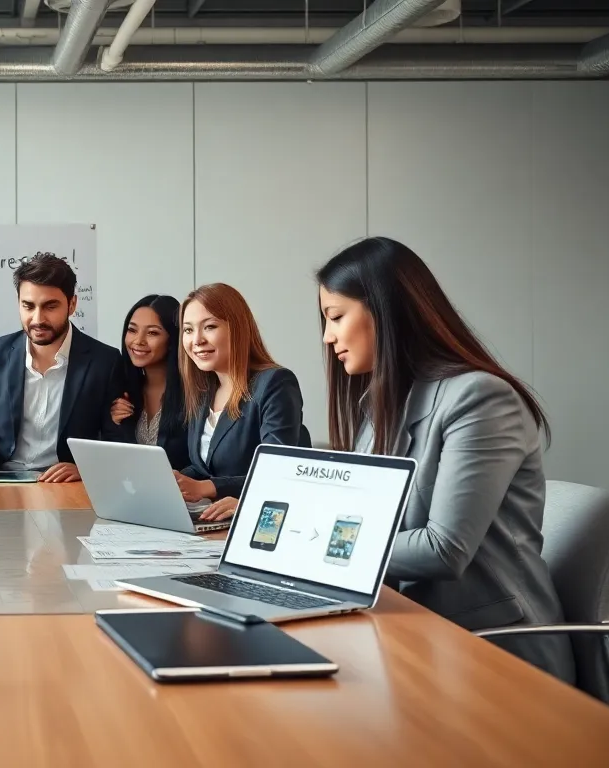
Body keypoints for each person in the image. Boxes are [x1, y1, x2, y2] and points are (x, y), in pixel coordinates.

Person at [317, 236, 575, 684]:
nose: (328, 336)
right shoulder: (377, 409)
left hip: (495, 649)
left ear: (387, 311)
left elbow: (444, 549)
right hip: (416, 629)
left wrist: (312, 548)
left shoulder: (480, 398)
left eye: (336, 317)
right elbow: (360, 523)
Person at [0, 254, 121, 483]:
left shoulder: (105, 361)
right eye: (28, 306)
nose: (37, 318)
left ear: (72, 304)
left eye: (50, 306)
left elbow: (118, 440)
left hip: (66, 485)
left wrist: (86, 468)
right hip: (2, 479)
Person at [175, 283, 307, 520]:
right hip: (212, 520)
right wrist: (170, 481)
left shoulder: (275, 382)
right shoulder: (204, 390)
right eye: (187, 330)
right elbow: (205, 467)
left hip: (256, 518)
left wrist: (208, 487)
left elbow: (278, 470)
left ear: (237, 328)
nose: (196, 340)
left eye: (210, 327)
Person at [105, 294, 189, 469]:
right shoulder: (123, 392)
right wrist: (116, 424)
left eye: (152, 333)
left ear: (173, 339)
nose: (138, 341)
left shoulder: (193, 394)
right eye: (132, 330)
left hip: (184, 493)